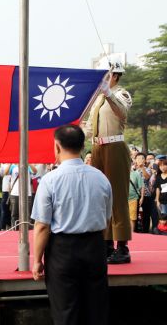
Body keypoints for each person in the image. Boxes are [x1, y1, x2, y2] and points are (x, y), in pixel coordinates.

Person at [31, 125, 112, 325]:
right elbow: (107, 219)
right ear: (83, 146)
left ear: (57, 147)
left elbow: (42, 226)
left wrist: (37, 260)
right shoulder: (101, 178)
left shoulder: (50, 180)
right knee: (96, 311)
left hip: (63, 251)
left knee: (66, 311)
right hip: (94, 247)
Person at [84, 62, 132, 264]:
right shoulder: (97, 99)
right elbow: (89, 127)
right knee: (100, 197)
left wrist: (108, 94)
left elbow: (122, 113)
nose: (103, 77)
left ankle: (122, 246)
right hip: (97, 148)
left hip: (114, 147)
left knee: (117, 196)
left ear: (115, 76)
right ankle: (105, 243)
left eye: (107, 74)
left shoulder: (121, 94)